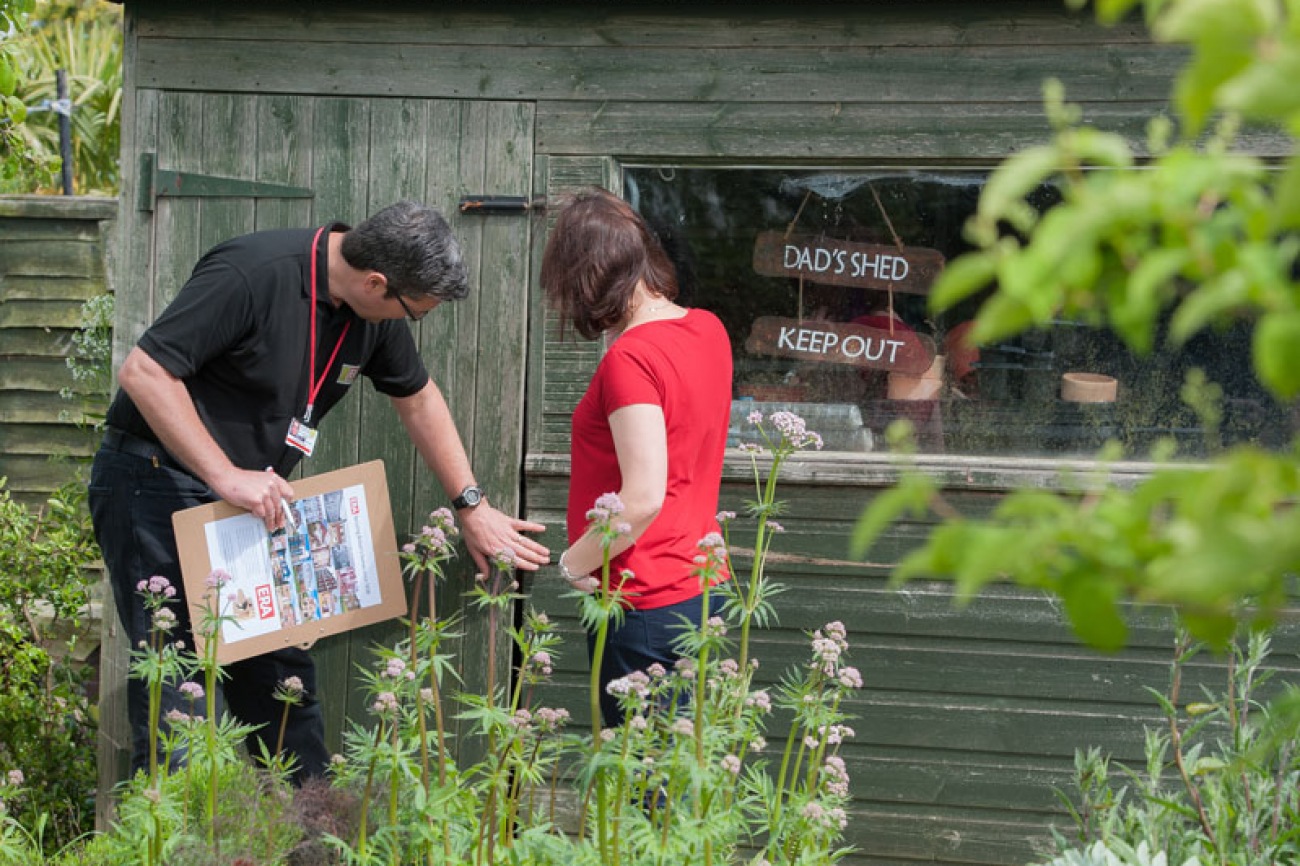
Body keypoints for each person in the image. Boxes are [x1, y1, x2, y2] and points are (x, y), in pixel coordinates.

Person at [89, 201, 549, 783]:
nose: (412, 322)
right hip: (155, 485)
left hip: (250, 504)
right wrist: (226, 474)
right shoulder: (252, 273)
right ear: (376, 282)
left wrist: (471, 506)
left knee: (285, 685)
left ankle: (309, 841)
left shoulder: (371, 314)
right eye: (415, 310)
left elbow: (419, 397)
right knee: (179, 685)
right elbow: (146, 372)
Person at [539, 188, 733, 727]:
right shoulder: (709, 329)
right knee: (682, 776)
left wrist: (573, 565)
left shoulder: (632, 357)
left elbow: (644, 496)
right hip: (703, 588)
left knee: (644, 787)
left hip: (642, 599)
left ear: (589, 275)